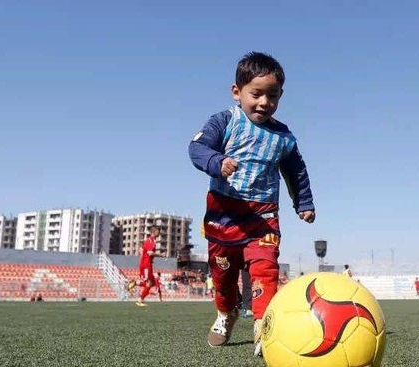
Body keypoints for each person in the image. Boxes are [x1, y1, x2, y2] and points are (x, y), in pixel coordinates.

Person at [189, 51, 315, 355]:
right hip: (223, 215)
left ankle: (264, 325)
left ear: (280, 96)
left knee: (265, 268)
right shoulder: (225, 121)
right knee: (223, 276)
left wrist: (304, 202)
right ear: (237, 91)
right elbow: (197, 147)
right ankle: (225, 313)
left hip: (263, 217)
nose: (263, 102)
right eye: (256, 94)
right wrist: (217, 162)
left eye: (272, 96)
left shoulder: (284, 137)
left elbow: (296, 171)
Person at [127, 226, 165, 306]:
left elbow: (143, 250)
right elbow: (149, 253)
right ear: (154, 231)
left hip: (148, 264)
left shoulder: (151, 240)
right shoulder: (151, 240)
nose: (159, 232)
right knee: (148, 283)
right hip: (146, 265)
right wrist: (160, 254)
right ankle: (139, 300)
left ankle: (136, 284)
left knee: (152, 283)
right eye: (158, 231)